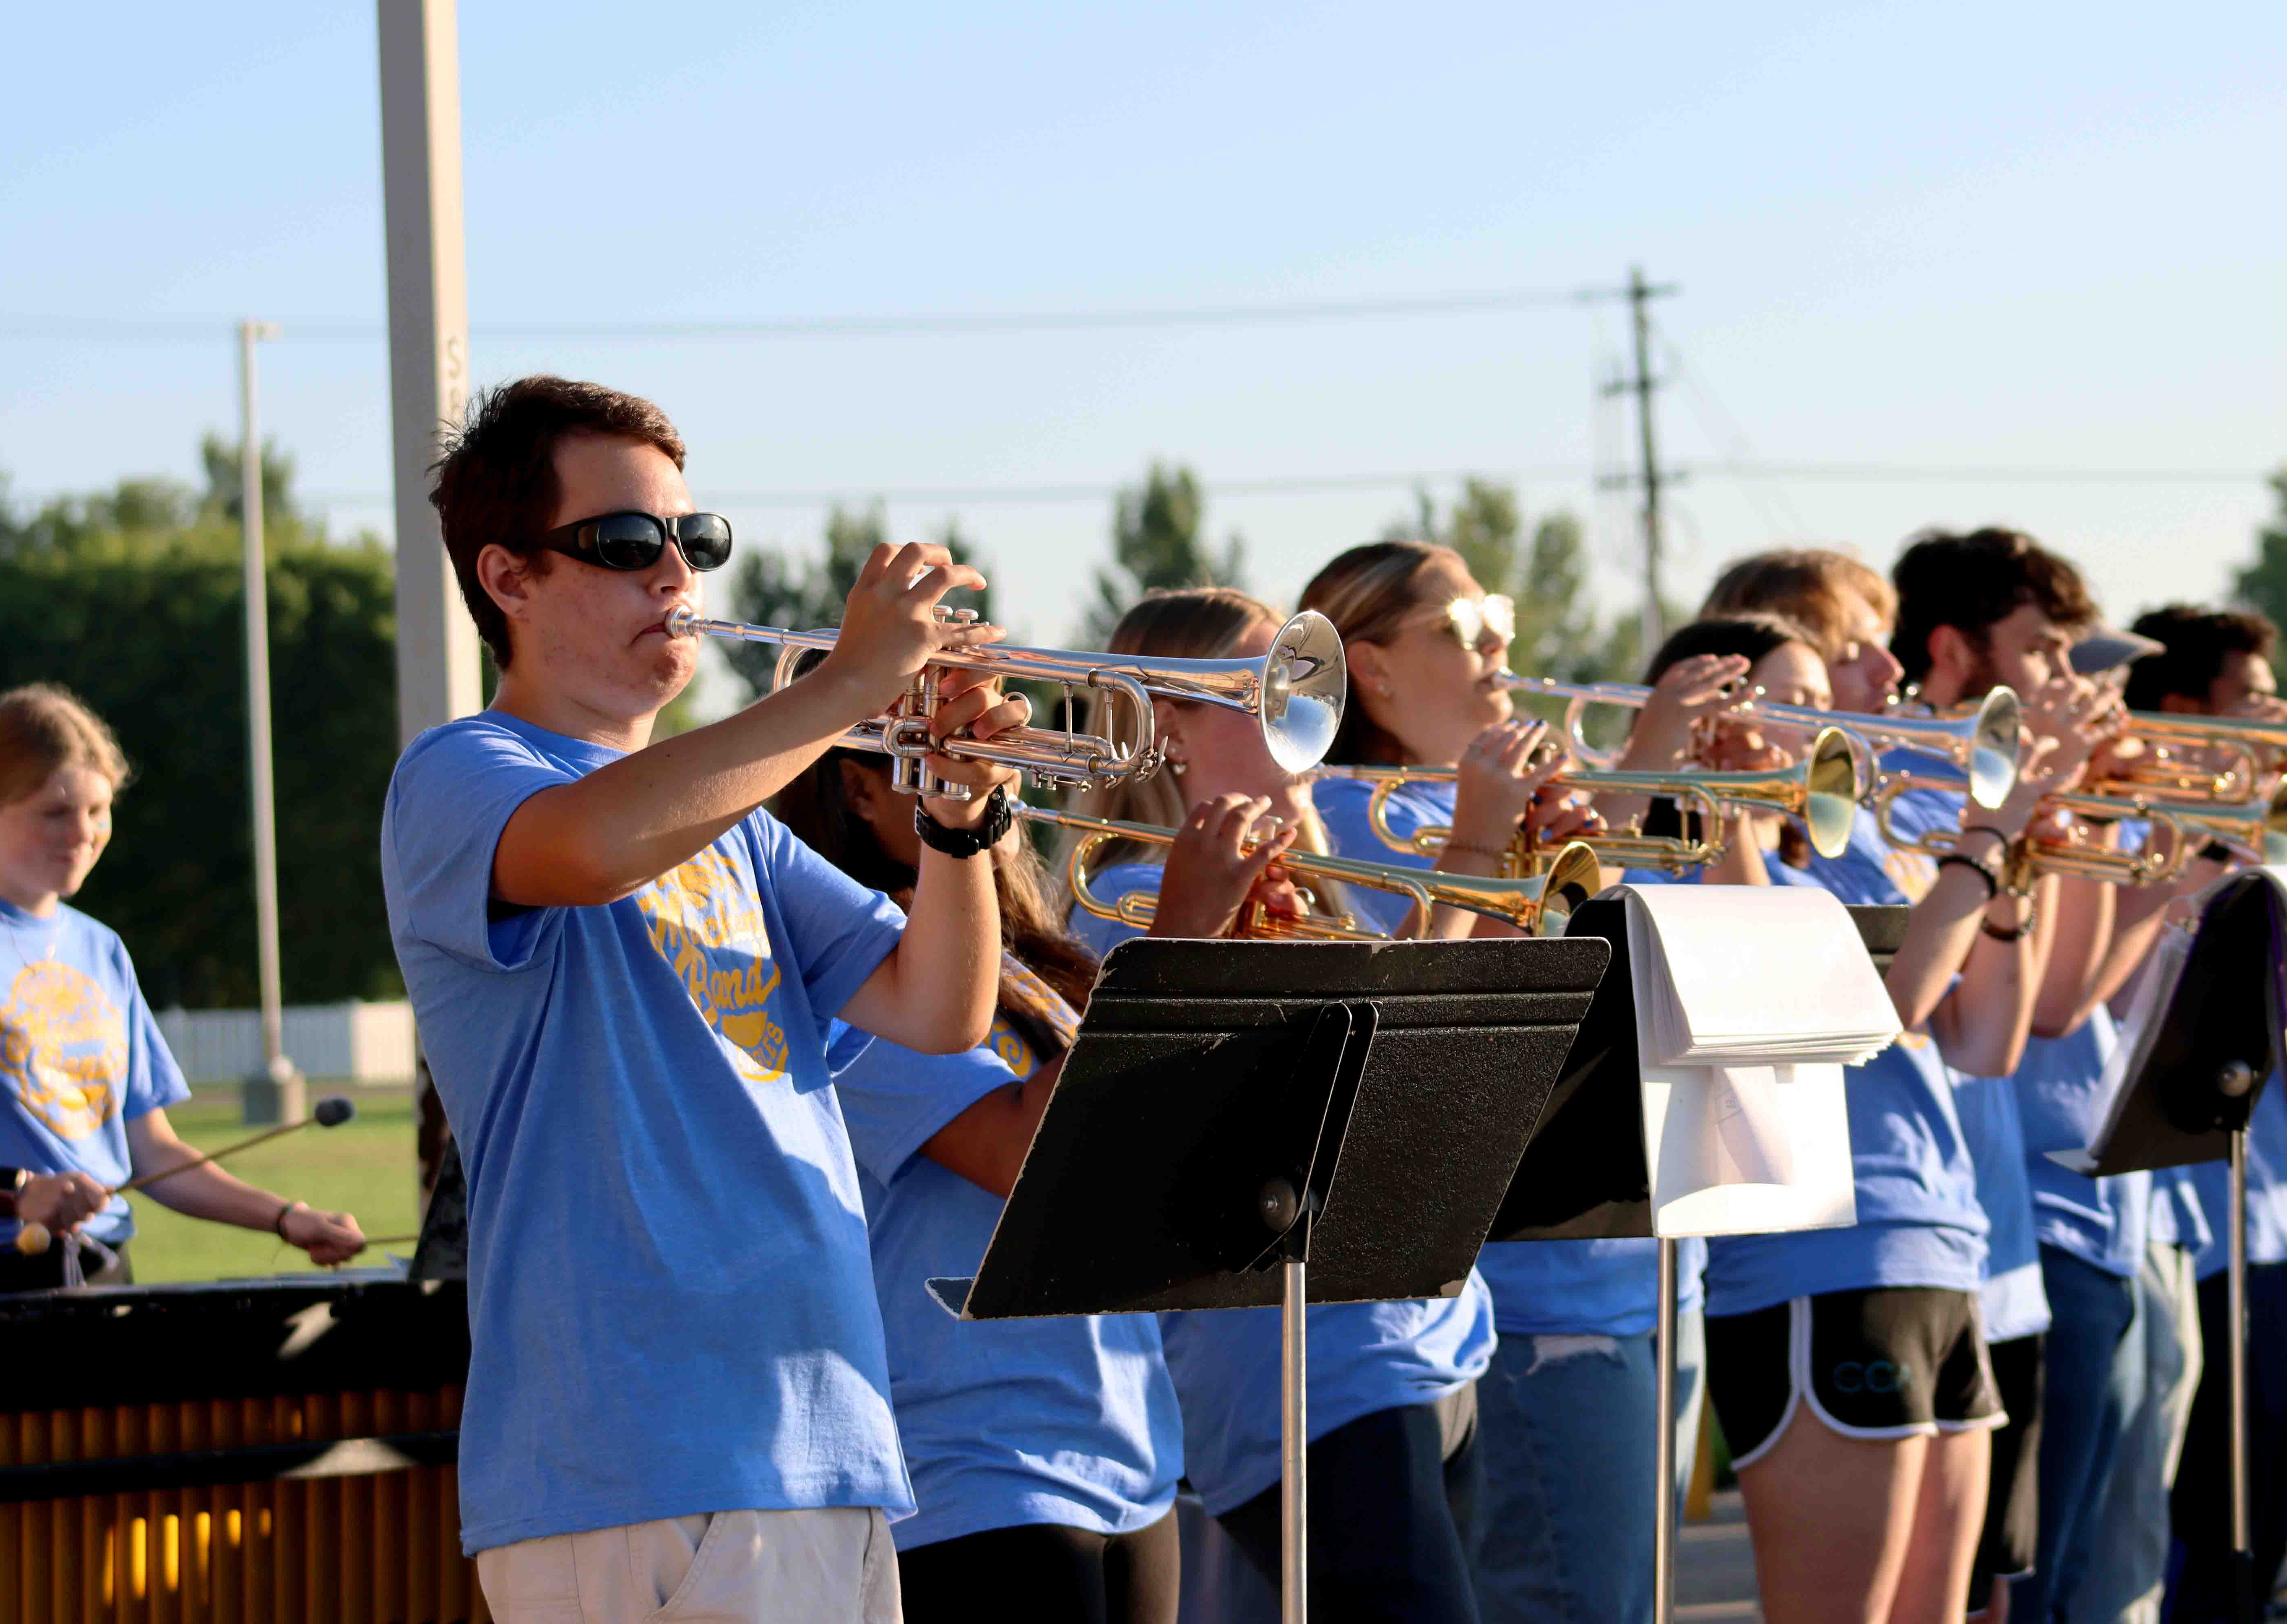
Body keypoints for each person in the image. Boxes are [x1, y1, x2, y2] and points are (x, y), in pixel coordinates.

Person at [379, 376, 1028, 1623]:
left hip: (825, 1437)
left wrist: (960, 817)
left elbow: (942, 1013)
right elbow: (585, 848)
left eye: (695, 541)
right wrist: (844, 689)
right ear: (508, 580)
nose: (677, 577)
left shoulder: (740, 834)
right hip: (635, 1453)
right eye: (626, 546)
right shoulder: (461, 772)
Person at [1060, 585, 1499, 1624]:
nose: (1305, 707)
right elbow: (1119, 1126)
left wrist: (1484, 865)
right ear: (1165, 726)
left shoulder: (1313, 864)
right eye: (1264, 687)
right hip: (1299, 1364)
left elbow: (1408, 1062)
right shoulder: (1111, 894)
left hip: (1426, 1335)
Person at [1684, 546, 2106, 1624]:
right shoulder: (1722, 846)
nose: (1883, 676)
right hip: (1822, 1257)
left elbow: (1986, 1040)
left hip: (1942, 1241)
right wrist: (1981, 846)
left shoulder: (1868, 846)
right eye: (1818, 685)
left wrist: (2015, 867)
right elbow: (1891, 1012)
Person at [1300, 538, 1717, 1624]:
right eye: (1463, 631)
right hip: (1531, 1298)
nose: (1499, 655)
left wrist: (1582, 845)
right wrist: (1490, 854)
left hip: (1617, 1275)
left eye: (1502, 626)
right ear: (1372, 670)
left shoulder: (1488, 808)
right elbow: (1420, 1039)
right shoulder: (1347, 823)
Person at [773, 743, 1185, 1624]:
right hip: (982, 1469)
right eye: (952, 747)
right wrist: (1180, 933)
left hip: (1128, 1448)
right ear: (858, 786)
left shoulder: (1032, 963)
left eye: (996, 740)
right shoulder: (862, 974)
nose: (997, 771)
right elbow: (1019, 1152)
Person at [1890, 531, 2195, 1624]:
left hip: (2035, 1231)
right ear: (1956, 652)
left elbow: (2044, 998)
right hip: (2002, 1222)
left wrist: (2085, 825)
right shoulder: (1909, 794)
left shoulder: (2002, 793)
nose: (2067, 682)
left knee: (2052, 1576)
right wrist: (2046, 823)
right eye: (2043, 652)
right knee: (2025, 1588)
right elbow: (2054, 1010)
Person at [0, 685, 366, 1296]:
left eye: (98, 810)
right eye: (54, 812)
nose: (82, 833)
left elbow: (152, 1156)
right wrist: (15, 1193)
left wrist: (286, 1218)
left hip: (104, 1273)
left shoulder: (103, 951)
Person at [2119, 604, 2287, 1624]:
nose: (2278, 717)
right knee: (2208, 1537)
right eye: (2254, 699)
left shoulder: (2264, 844)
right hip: (2200, 1223)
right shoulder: (2148, 844)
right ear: (2188, 712)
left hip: (2272, 1216)